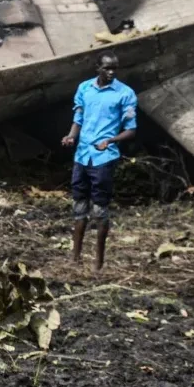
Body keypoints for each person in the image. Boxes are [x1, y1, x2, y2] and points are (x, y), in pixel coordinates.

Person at [60, 52, 136, 272]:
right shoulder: (84, 88)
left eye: (114, 69)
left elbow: (131, 129)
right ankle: (75, 258)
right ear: (97, 68)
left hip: (104, 158)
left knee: (100, 209)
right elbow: (79, 118)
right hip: (82, 155)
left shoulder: (125, 94)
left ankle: (98, 263)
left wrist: (110, 140)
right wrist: (71, 136)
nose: (111, 73)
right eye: (107, 68)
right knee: (79, 205)